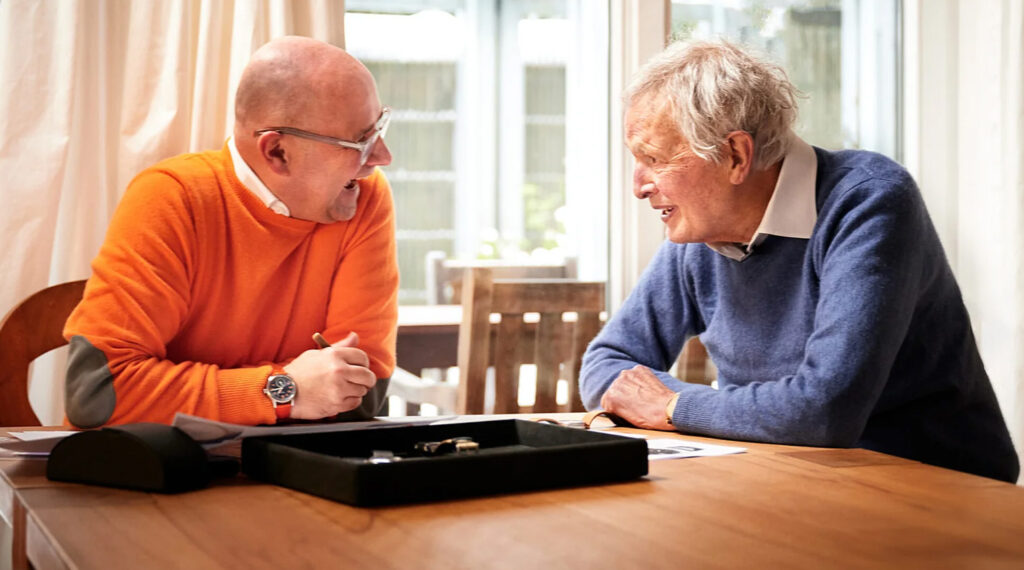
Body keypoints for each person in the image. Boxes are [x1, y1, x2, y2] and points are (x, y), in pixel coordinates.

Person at [580, 39, 1019, 482]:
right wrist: (682, 405)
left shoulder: (867, 201)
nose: (639, 186)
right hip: (783, 474)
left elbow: (825, 410)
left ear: (735, 156)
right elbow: (608, 362)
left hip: (931, 487)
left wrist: (672, 405)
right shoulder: (701, 232)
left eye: (653, 159)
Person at [63, 36, 398, 428]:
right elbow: (98, 393)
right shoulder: (170, 198)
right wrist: (285, 389)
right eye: (360, 142)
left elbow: (360, 393)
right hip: (148, 478)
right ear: (277, 152)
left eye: (377, 130)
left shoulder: (363, 199)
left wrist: (181, 393)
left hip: (286, 475)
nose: (382, 158)